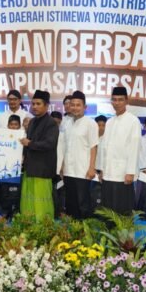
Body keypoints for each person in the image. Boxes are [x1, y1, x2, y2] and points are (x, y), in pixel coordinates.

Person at [96, 87, 141, 214]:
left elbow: (135, 147)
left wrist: (131, 172)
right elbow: (104, 147)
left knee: (123, 209)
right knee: (108, 209)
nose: (117, 103)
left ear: (126, 101)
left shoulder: (133, 121)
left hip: (123, 174)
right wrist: (101, 169)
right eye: (114, 100)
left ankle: (124, 229)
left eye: (120, 100)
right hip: (108, 173)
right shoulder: (109, 122)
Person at [19, 90, 59, 221]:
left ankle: (44, 227)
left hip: (42, 170)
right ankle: (28, 225)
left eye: (38, 104)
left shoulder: (51, 123)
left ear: (46, 105)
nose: (35, 106)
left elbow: (50, 143)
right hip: (30, 168)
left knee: (42, 203)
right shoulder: (32, 122)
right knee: (28, 201)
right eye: (33, 104)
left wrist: (30, 143)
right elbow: (27, 143)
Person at [62, 91, 98, 219]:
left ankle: (85, 228)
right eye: (72, 105)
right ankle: (73, 229)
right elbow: (64, 146)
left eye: (78, 105)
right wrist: (62, 166)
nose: (75, 108)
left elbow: (94, 147)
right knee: (70, 203)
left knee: (83, 204)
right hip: (68, 170)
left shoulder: (90, 123)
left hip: (83, 171)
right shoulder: (66, 123)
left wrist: (92, 168)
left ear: (85, 107)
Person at [0, 115, 24, 218]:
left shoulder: (23, 138)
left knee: (17, 193)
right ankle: (4, 212)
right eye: (11, 124)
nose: (13, 126)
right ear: (8, 125)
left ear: (19, 126)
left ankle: (16, 212)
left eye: (16, 124)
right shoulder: (2, 138)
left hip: (18, 170)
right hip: (4, 171)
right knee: (4, 192)